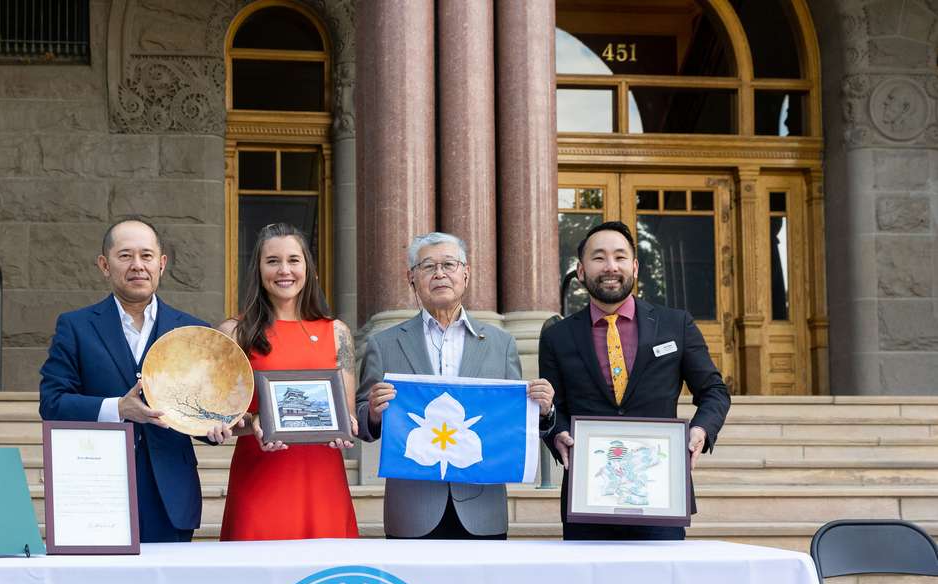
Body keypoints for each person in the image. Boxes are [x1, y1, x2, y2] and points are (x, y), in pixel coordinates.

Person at [39, 218, 232, 544]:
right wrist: (119, 408)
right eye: (125, 256)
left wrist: (216, 426)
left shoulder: (193, 331)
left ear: (162, 263)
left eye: (146, 255)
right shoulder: (76, 326)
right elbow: (52, 402)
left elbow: (204, 410)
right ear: (104, 264)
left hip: (171, 493)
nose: (137, 266)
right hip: (97, 491)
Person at [539, 220, 731, 541]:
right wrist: (556, 433)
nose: (610, 266)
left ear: (635, 267)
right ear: (582, 271)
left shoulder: (675, 325)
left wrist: (700, 430)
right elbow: (553, 407)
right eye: (598, 258)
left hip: (660, 493)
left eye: (620, 257)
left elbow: (714, 391)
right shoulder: (557, 336)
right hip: (589, 494)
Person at [356, 231, 556, 540]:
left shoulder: (501, 344)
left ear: (466, 273)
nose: (439, 274)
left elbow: (512, 421)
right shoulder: (383, 344)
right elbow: (362, 423)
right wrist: (372, 412)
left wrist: (541, 411)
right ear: (411, 278)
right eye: (428, 266)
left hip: (482, 507)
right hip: (412, 509)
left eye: (449, 264)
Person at [218, 222, 359, 540]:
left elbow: (346, 416)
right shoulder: (234, 332)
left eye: (294, 260)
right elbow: (221, 421)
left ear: (307, 267)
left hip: (322, 480)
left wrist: (345, 428)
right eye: (273, 261)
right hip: (260, 479)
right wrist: (253, 422)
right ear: (259, 269)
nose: (284, 270)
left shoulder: (337, 333)